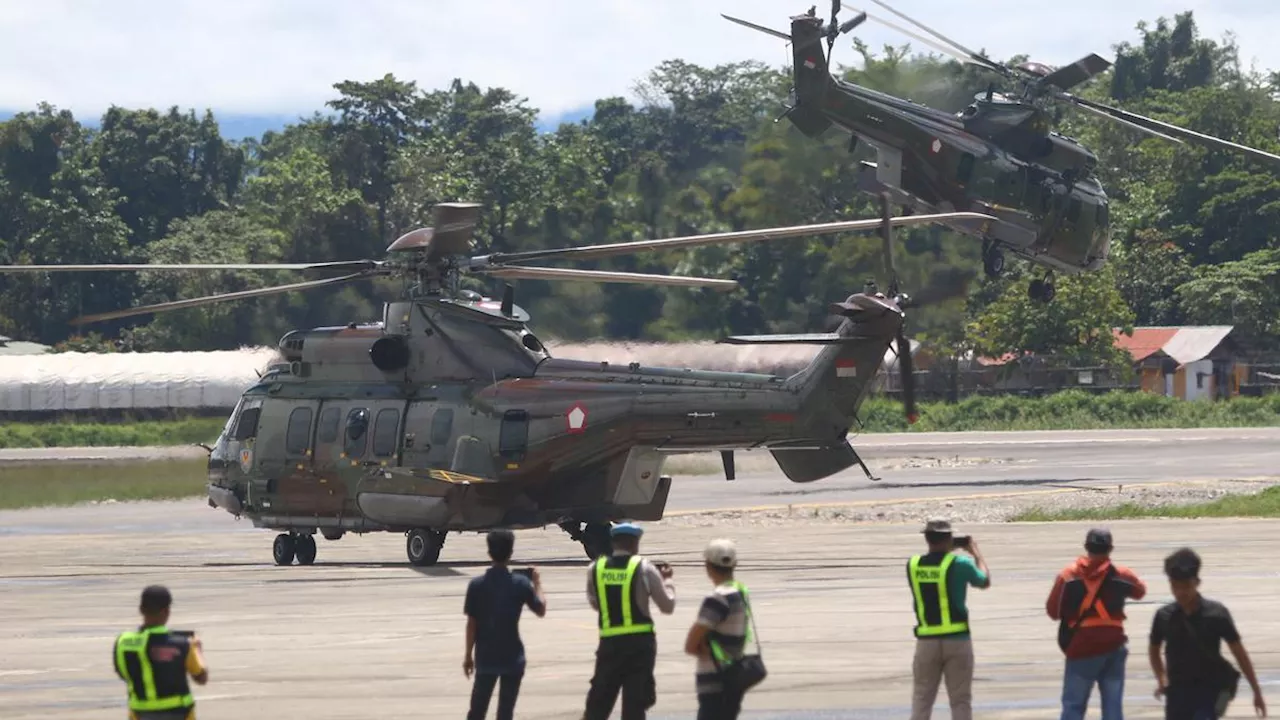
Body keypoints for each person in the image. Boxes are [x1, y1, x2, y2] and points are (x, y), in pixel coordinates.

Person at [1149, 548, 1266, 720]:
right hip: (1177, 693)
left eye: (1186, 586)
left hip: (1210, 690)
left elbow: (1239, 653)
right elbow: (1154, 649)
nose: (1181, 592)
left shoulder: (1216, 614)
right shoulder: (1164, 616)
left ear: (1197, 582)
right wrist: (1161, 678)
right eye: (1175, 586)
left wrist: (1256, 691)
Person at [1046, 528, 1148, 720]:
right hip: (1114, 646)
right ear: (1110, 549)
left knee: (1074, 706)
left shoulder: (1068, 576)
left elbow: (1053, 612)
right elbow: (1140, 591)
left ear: (1086, 547)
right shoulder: (1121, 574)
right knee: (1113, 706)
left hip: (1082, 648)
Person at [582, 522, 677, 720]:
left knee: (597, 706)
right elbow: (667, 606)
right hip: (639, 648)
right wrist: (667, 581)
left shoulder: (595, 569)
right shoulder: (644, 568)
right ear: (635, 543)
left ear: (613, 543)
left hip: (609, 647)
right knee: (635, 707)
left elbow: (595, 603)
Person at [907, 519, 991, 720]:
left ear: (927, 539)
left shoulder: (913, 565)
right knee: (960, 700)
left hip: (926, 641)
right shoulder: (960, 563)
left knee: (922, 698)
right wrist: (975, 553)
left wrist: (944, 547)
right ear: (949, 539)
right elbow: (983, 581)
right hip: (957, 640)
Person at [463, 529, 547, 720]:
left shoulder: (476, 586)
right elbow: (541, 609)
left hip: (486, 656)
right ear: (511, 553)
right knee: (505, 712)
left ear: (489, 552)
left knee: (477, 711)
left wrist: (468, 656)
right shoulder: (520, 584)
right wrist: (537, 583)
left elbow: (471, 625)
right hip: (512, 657)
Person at [112, 585, 208, 720]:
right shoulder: (182, 644)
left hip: (140, 712)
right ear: (167, 611)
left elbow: (123, 673)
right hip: (179, 713)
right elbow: (201, 677)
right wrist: (197, 650)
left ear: (141, 609)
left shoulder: (123, 642)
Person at [684, 538, 753, 720]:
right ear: (734, 564)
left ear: (708, 566)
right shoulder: (741, 593)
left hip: (714, 680)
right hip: (734, 676)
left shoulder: (717, 599)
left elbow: (691, 644)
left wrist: (701, 646)